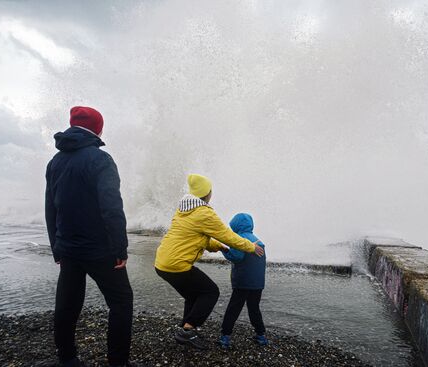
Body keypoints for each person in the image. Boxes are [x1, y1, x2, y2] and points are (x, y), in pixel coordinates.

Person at [45, 106, 135, 367]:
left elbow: (51, 208)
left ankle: (67, 358)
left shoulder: (55, 162)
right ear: (97, 128)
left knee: (68, 304)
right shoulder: (100, 159)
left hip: (69, 249)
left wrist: (57, 248)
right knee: (121, 302)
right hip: (101, 250)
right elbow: (111, 208)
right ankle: (118, 362)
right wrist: (120, 248)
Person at [154, 174, 264, 350]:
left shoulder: (184, 210)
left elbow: (199, 236)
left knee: (193, 295)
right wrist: (250, 247)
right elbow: (228, 236)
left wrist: (217, 247)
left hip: (162, 263)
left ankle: (186, 329)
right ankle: (187, 331)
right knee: (211, 292)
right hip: (177, 265)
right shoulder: (204, 213)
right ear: (207, 193)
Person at [219, 213, 268, 348]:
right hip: (257, 283)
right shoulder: (258, 240)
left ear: (236, 225)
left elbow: (236, 257)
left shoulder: (239, 238)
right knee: (254, 308)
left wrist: (223, 249)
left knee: (233, 308)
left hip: (243, 282)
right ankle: (261, 336)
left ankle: (225, 337)